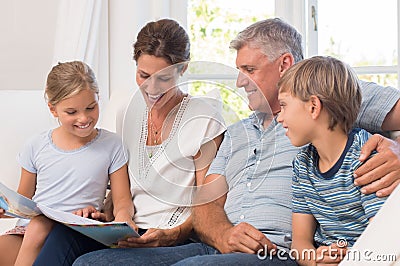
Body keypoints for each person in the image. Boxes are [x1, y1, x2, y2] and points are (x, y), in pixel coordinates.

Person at [71, 18, 400, 266]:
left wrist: (398, 150)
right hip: (213, 247)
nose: (240, 80)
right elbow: (204, 207)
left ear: (285, 65)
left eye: (249, 69)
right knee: (90, 263)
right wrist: (225, 234)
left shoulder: (328, 92)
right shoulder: (239, 132)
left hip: (273, 252)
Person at [32, 18, 226, 265]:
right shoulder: (128, 111)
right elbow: (124, 185)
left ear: (182, 69)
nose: (151, 88)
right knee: (61, 235)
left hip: (178, 238)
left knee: (88, 263)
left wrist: (172, 234)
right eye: (143, 75)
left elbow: (209, 206)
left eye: (163, 78)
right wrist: (103, 216)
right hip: (129, 230)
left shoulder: (204, 120)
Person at [0, 61, 135, 266]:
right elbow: (22, 202)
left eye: (91, 107)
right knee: (30, 230)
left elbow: (123, 201)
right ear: (53, 109)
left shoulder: (112, 145)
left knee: (39, 228)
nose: (84, 118)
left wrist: (123, 221)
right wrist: (5, 209)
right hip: (27, 232)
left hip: (76, 230)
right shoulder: (36, 146)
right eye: (72, 112)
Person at [277, 56, 388, 265]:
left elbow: (382, 241)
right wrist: (315, 260)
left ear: (313, 107)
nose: (279, 117)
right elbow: (300, 243)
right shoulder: (303, 165)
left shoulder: (366, 159)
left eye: (284, 106)